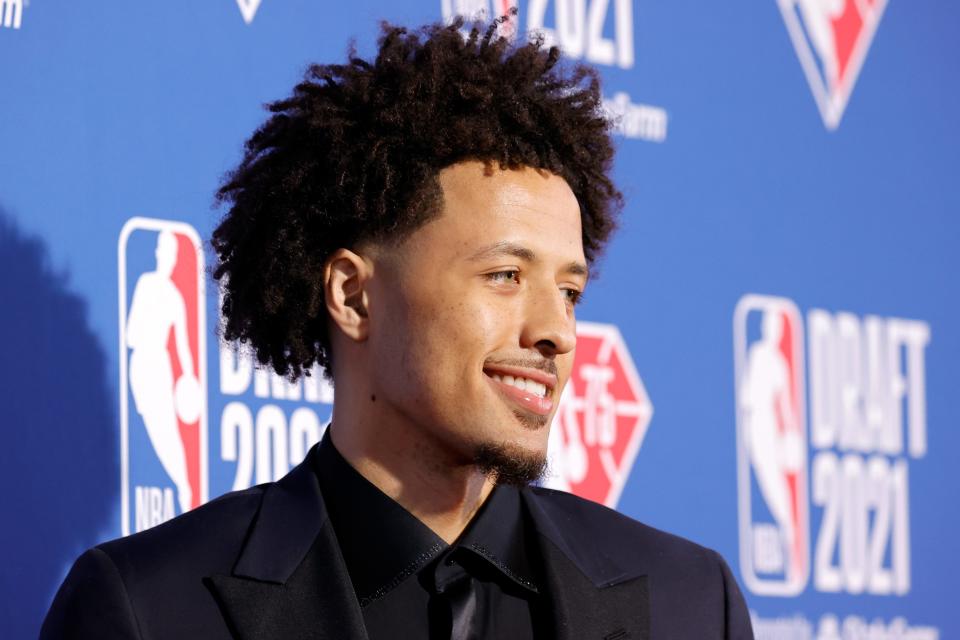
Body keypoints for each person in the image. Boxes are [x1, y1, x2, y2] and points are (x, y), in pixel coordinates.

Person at [42, 16, 753, 639]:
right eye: (505, 276)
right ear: (354, 297)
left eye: (569, 291)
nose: (556, 332)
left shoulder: (688, 602)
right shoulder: (149, 609)